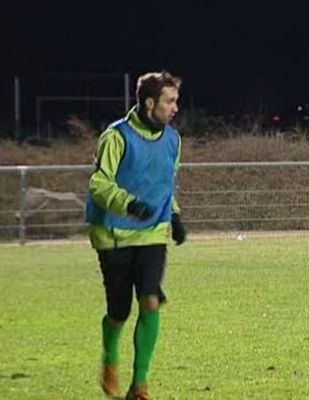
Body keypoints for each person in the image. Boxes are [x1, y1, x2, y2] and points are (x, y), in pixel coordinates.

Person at [85, 71, 187, 400]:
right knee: (119, 312)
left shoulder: (173, 139)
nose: (175, 108)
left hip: (152, 233)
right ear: (149, 103)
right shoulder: (116, 137)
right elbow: (99, 185)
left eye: (176, 101)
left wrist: (174, 214)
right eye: (169, 101)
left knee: (151, 301)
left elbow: (164, 182)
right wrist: (128, 204)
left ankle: (139, 385)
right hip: (113, 234)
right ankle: (110, 359)